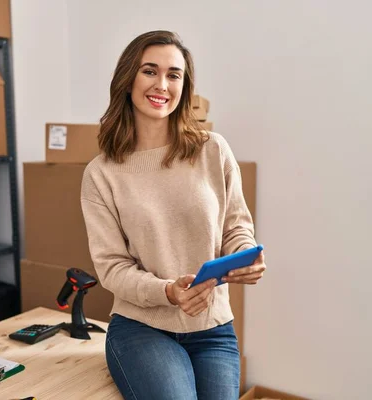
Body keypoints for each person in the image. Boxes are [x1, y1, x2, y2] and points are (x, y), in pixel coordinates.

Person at [80, 30, 266, 400]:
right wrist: (167, 292)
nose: (161, 84)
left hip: (212, 328)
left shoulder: (213, 150)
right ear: (127, 78)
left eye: (173, 74)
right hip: (141, 328)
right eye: (150, 71)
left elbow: (236, 225)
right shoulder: (102, 174)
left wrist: (246, 255)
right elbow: (112, 267)